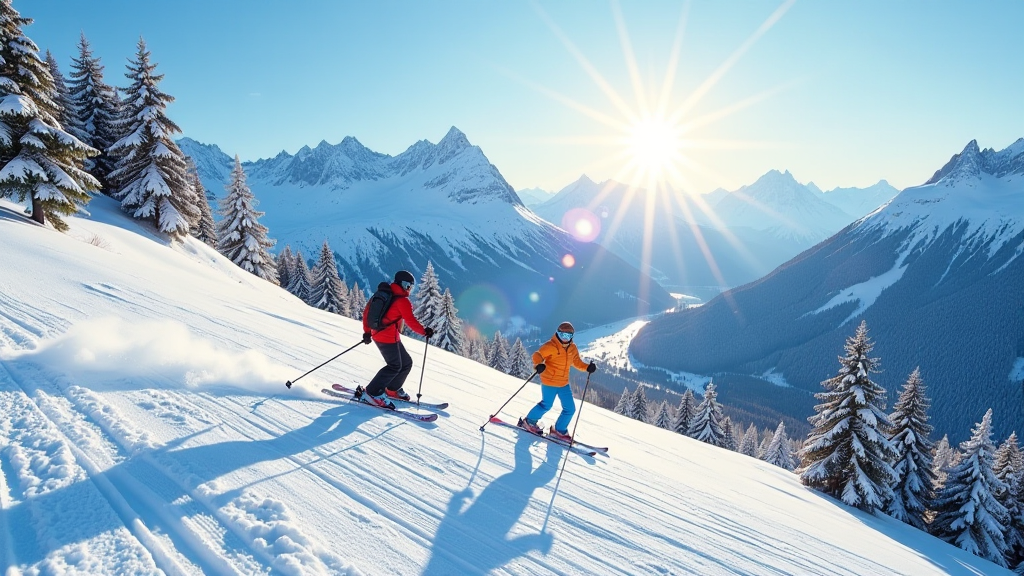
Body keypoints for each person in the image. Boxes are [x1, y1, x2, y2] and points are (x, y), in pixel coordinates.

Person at [360, 270, 434, 408]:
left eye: (410, 286)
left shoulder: (384, 294)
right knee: (394, 366)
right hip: (386, 338)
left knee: (406, 363)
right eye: (407, 285)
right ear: (400, 283)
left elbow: (367, 312)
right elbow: (411, 322)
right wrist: (425, 332)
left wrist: (367, 332)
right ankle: (372, 393)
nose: (408, 289)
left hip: (384, 335)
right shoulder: (402, 301)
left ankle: (392, 389)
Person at [519, 321, 597, 442]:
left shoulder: (572, 348)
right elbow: (537, 355)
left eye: (568, 336)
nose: (565, 339)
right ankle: (529, 422)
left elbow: (576, 362)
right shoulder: (551, 345)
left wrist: (587, 367)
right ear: (557, 333)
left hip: (563, 383)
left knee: (570, 409)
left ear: (572, 337)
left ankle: (559, 430)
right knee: (546, 405)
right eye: (563, 335)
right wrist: (539, 364)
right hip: (549, 381)